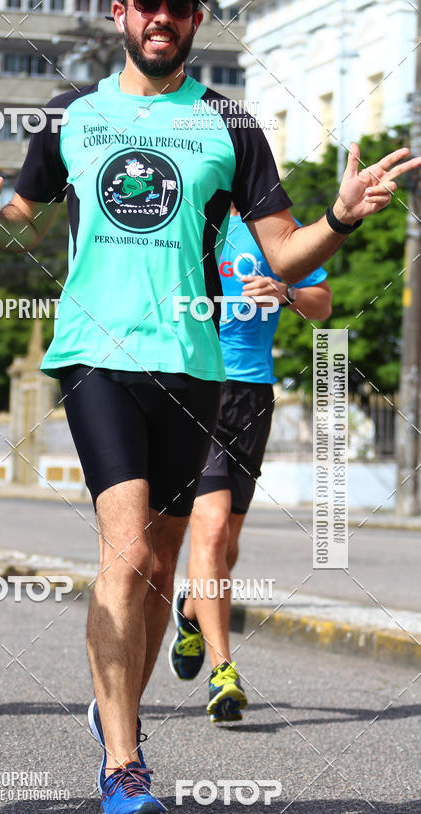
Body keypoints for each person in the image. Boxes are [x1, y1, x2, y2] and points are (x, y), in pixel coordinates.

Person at [0, 0, 420, 814]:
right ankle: (123, 764)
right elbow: (27, 223)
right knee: (124, 545)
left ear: (195, 21)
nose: (163, 18)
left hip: (197, 362)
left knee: (158, 565)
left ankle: (114, 713)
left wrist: (340, 218)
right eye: (148, 4)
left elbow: (286, 249)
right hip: (97, 355)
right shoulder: (70, 115)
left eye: (180, 7)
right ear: (120, 12)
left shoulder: (232, 123)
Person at [168, 204, 332, 721]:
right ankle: (224, 671)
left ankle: (192, 611)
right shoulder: (186, 221)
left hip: (252, 396)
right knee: (211, 530)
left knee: (227, 544)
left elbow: (323, 303)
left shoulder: (277, 230)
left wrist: (285, 292)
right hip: (195, 386)